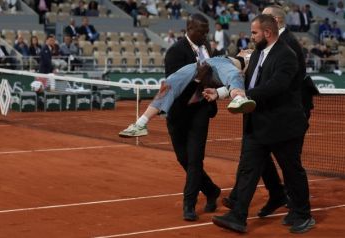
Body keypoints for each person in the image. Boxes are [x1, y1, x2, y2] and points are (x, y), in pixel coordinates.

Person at [209, 14, 314, 234]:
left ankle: (302, 214)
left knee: (292, 171)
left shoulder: (287, 54)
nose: (251, 36)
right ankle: (238, 216)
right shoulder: (257, 53)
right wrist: (221, 92)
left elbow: (277, 85)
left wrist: (245, 94)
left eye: (254, 32)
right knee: (248, 169)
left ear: (267, 32)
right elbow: (246, 81)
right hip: (258, 123)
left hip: (283, 127)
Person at [152, 13, 221, 222]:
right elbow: (175, 88)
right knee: (184, 159)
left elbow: (214, 76)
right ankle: (211, 190)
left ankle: (189, 204)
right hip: (179, 113)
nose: (206, 34)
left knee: (195, 160)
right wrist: (199, 78)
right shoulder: (175, 52)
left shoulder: (207, 48)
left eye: (207, 31)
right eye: (202, 31)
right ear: (189, 29)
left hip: (200, 110)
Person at [118, 54, 256, 137]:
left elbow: (234, 81)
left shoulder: (257, 56)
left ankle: (238, 97)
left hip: (211, 70)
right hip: (220, 62)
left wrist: (221, 93)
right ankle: (140, 123)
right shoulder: (252, 54)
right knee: (169, 83)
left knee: (169, 83)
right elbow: (238, 75)